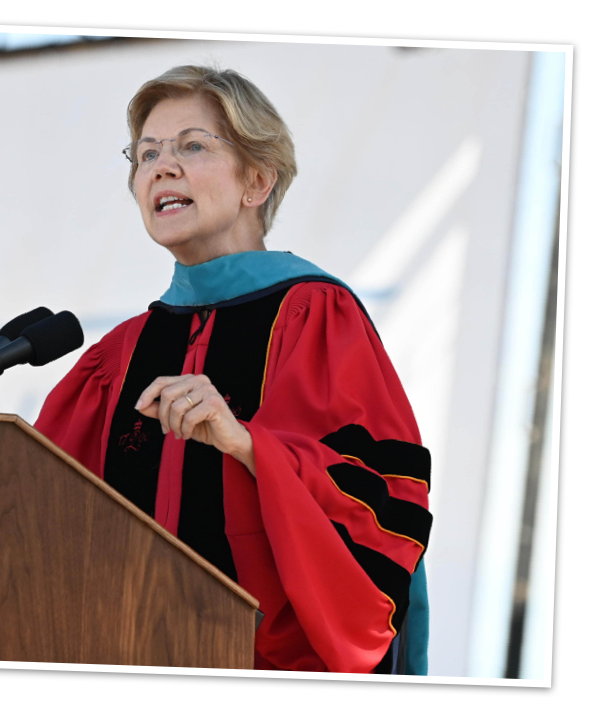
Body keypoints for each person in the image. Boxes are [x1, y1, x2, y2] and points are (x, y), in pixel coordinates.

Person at [34, 65, 432, 674]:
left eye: (192, 146)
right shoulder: (117, 358)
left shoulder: (317, 316)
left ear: (257, 180)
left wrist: (248, 446)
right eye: (146, 154)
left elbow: (382, 506)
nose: (162, 167)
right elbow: (37, 520)